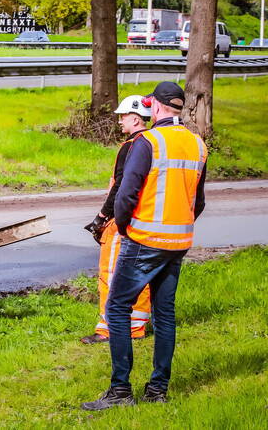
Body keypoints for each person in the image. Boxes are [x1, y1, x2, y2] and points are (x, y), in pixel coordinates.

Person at [82, 81, 207, 410]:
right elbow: (200, 201)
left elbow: (126, 193)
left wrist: (124, 227)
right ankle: (157, 391)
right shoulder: (197, 144)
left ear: (157, 107)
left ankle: (120, 391)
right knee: (165, 315)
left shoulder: (148, 141)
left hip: (144, 240)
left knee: (117, 309)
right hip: (178, 241)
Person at [80, 95, 152, 345]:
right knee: (139, 274)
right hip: (144, 220)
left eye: (123, 116)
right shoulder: (155, 143)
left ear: (135, 118)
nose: (120, 121)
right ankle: (137, 327)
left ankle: (109, 330)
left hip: (122, 220)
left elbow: (121, 186)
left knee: (111, 274)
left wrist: (102, 217)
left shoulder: (131, 146)